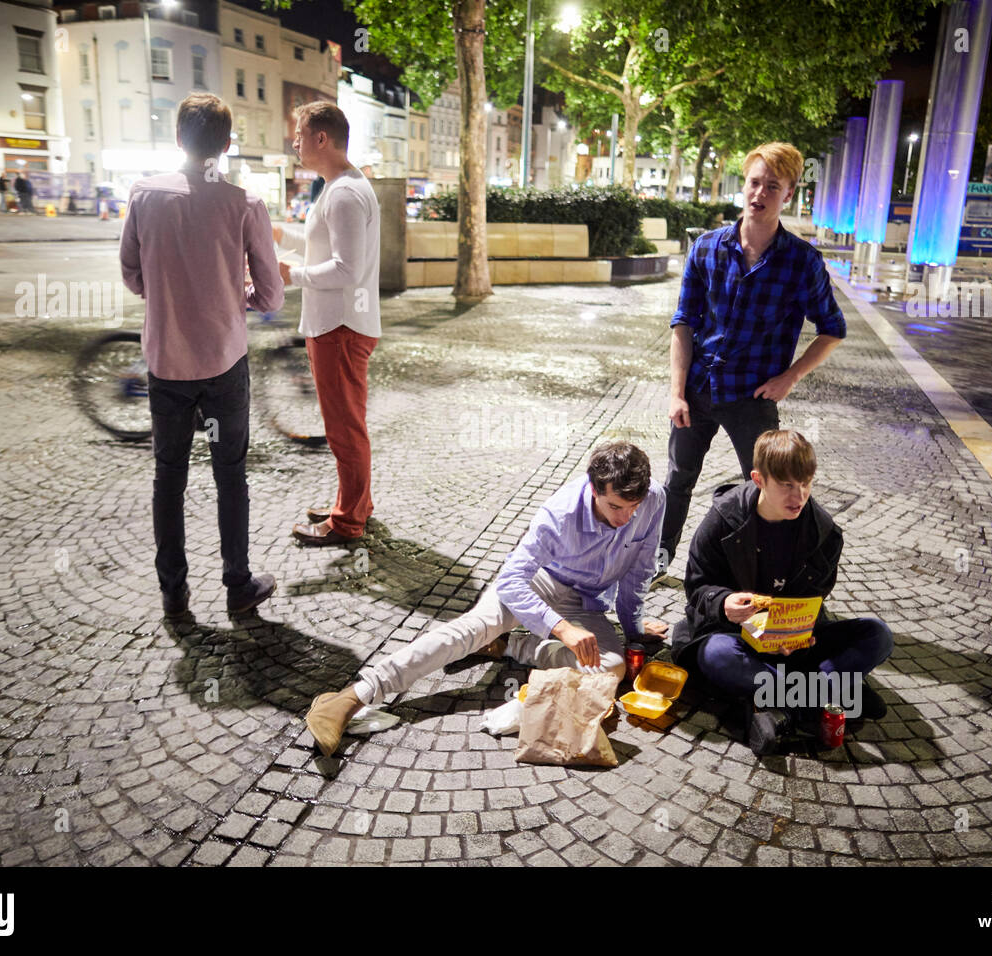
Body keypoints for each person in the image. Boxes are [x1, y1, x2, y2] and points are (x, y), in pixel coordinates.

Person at [304, 441, 667, 758]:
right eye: (616, 507)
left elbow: (639, 570)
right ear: (593, 488)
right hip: (537, 585)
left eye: (633, 508)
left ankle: (511, 647)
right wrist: (560, 628)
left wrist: (633, 630)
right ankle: (351, 696)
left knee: (611, 667)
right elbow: (512, 580)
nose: (626, 518)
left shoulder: (652, 500)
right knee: (473, 628)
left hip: (584, 603)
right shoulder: (558, 515)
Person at [119, 92, 284, 618]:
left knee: (168, 474)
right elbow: (273, 294)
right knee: (229, 472)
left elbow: (130, 272)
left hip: (167, 361)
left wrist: (168, 293)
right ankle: (238, 584)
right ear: (228, 145)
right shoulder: (243, 203)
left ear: (178, 140)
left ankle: (174, 592)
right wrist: (243, 299)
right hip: (223, 360)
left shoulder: (144, 194)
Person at [661, 142, 847, 569]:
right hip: (698, 389)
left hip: (754, 398)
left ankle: (761, 572)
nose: (760, 193)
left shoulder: (802, 262)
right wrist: (676, 393)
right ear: (743, 185)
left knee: (765, 489)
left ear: (789, 195)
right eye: (754, 182)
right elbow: (683, 323)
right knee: (677, 481)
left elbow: (832, 330)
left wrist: (791, 377)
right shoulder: (706, 248)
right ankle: (659, 558)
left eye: (773, 186)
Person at [672, 429, 893, 756]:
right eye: (787, 485)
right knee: (715, 655)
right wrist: (723, 603)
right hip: (735, 636)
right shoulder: (724, 519)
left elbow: (816, 598)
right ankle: (831, 694)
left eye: (805, 484)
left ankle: (781, 704)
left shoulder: (825, 533)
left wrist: (799, 634)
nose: (798, 496)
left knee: (878, 636)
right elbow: (697, 585)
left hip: (795, 647)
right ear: (759, 479)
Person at [273, 103, 380, 547]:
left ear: (322, 138)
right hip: (338, 324)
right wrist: (283, 234)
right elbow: (325, 245)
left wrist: (290, 275)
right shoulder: (340, 187)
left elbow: (346, 269)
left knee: (343, 428)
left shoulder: (344, 193)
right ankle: (355, 504)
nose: (294, 142)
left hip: (339, 326)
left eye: (300, 133)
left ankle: (347, 522)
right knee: (346, 424)